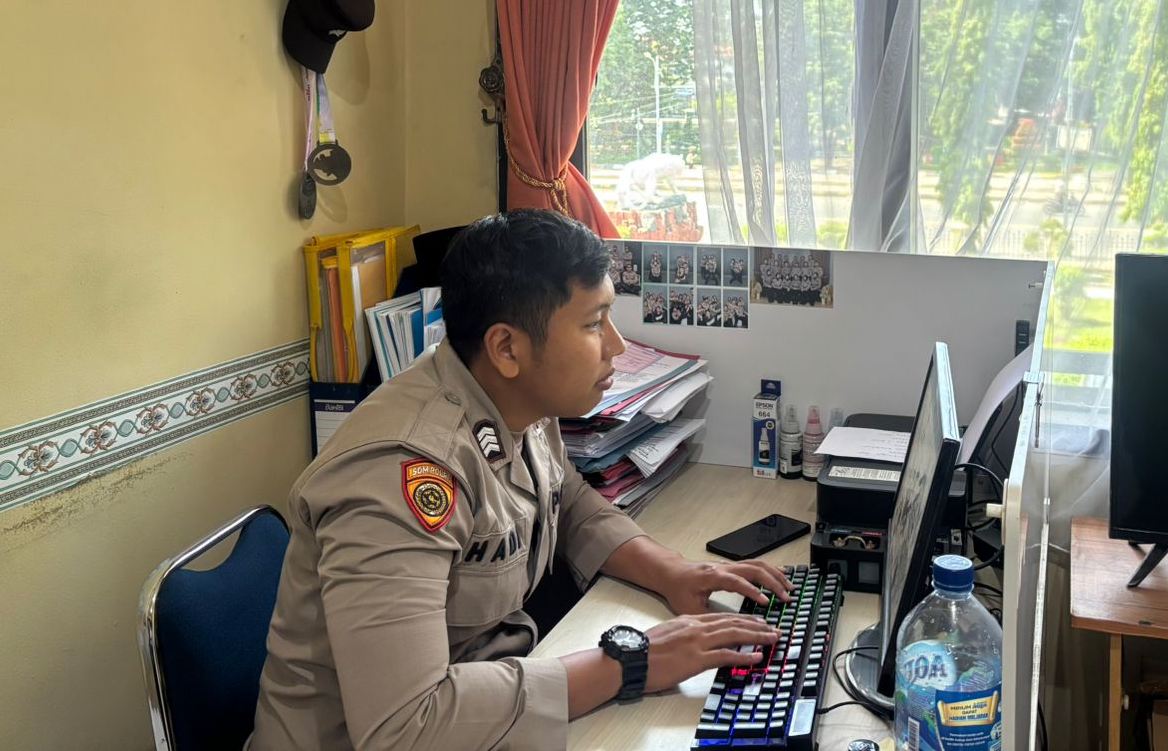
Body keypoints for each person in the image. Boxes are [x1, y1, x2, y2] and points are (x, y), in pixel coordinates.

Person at [250, 211, 787, 751]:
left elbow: (566, 500)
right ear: (507, 348)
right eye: (594, 323)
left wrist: (673, 572)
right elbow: (406, 724)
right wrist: (630, 663)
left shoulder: (512, 399)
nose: (618, 346)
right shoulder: (399, 472)